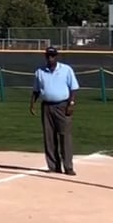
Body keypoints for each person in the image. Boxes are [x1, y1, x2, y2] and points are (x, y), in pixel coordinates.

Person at [29, 44, 79, 176]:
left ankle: (68, 167)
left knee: (65, 136)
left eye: (52, 56)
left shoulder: (66, 70)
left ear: (56, 56)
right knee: (49, 137)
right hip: (46, 106)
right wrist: (32, 104)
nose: (50, 58)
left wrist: (71, 103)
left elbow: (73, 88)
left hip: (62, 105)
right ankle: (53, 166)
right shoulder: (40, 71)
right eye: (48, 56)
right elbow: (36, 90)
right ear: (45, 57)